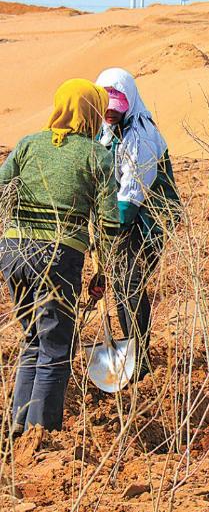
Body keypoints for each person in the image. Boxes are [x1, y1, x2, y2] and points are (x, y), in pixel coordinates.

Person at [0, 79, 119, 432]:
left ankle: (18, 426)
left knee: (34, 339)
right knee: (56, 348)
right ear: (92, 113)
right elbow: (109, 221)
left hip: (12, 252)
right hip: (57, 256)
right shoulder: (97, 155)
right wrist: (104, 271)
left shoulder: (28, 143)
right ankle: (42, 433)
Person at [95, 67, 181, 379]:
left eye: (115, 110)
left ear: (129, 102)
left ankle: (139, 357)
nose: (110, 115)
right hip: (118, 221)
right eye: (105, 110)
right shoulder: (106, 131)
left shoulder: (141, 135)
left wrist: (114, 228)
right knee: (121, 286)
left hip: (145, 222)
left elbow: (134, 188)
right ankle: (132, 352)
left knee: (130, 286)